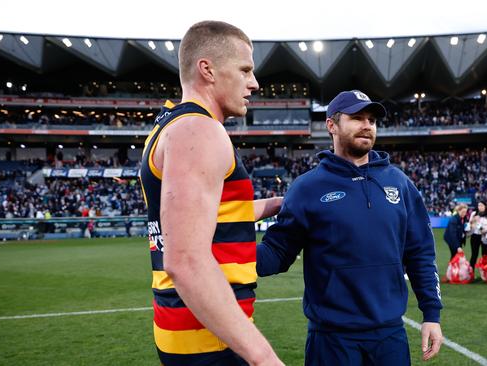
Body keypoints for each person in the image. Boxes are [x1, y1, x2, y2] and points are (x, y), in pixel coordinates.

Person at [257, 90, 444, 365]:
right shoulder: (308, 187)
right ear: (331, 125)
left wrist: (431, 314)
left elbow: (420, 254)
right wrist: (226, 254)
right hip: (331, 340)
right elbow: (276, 252)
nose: (367, 125)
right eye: (357, 118)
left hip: (390, 337)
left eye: (372, 120)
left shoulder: (400, 183)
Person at [139, 21, 284, 365]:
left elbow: (209, 215)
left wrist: (277, 204)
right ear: (208, 69)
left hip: (185, 332)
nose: (254, 82)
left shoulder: (170, 125)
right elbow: (186, 260)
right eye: (245, 69)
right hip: (209, 341)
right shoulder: (199, 130)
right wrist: (263, 357)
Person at [468, 201, 487, 273]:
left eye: (481, 205)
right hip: (475, 236)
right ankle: (471, 273)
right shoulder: (474, 214)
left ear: (485, 206)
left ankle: (485, 273)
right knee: (474, 255)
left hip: (485, 236)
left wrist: (484, 229)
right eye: (479, 205)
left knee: (485, 255)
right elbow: (470, 224)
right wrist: (473, 220)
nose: (480, 207)